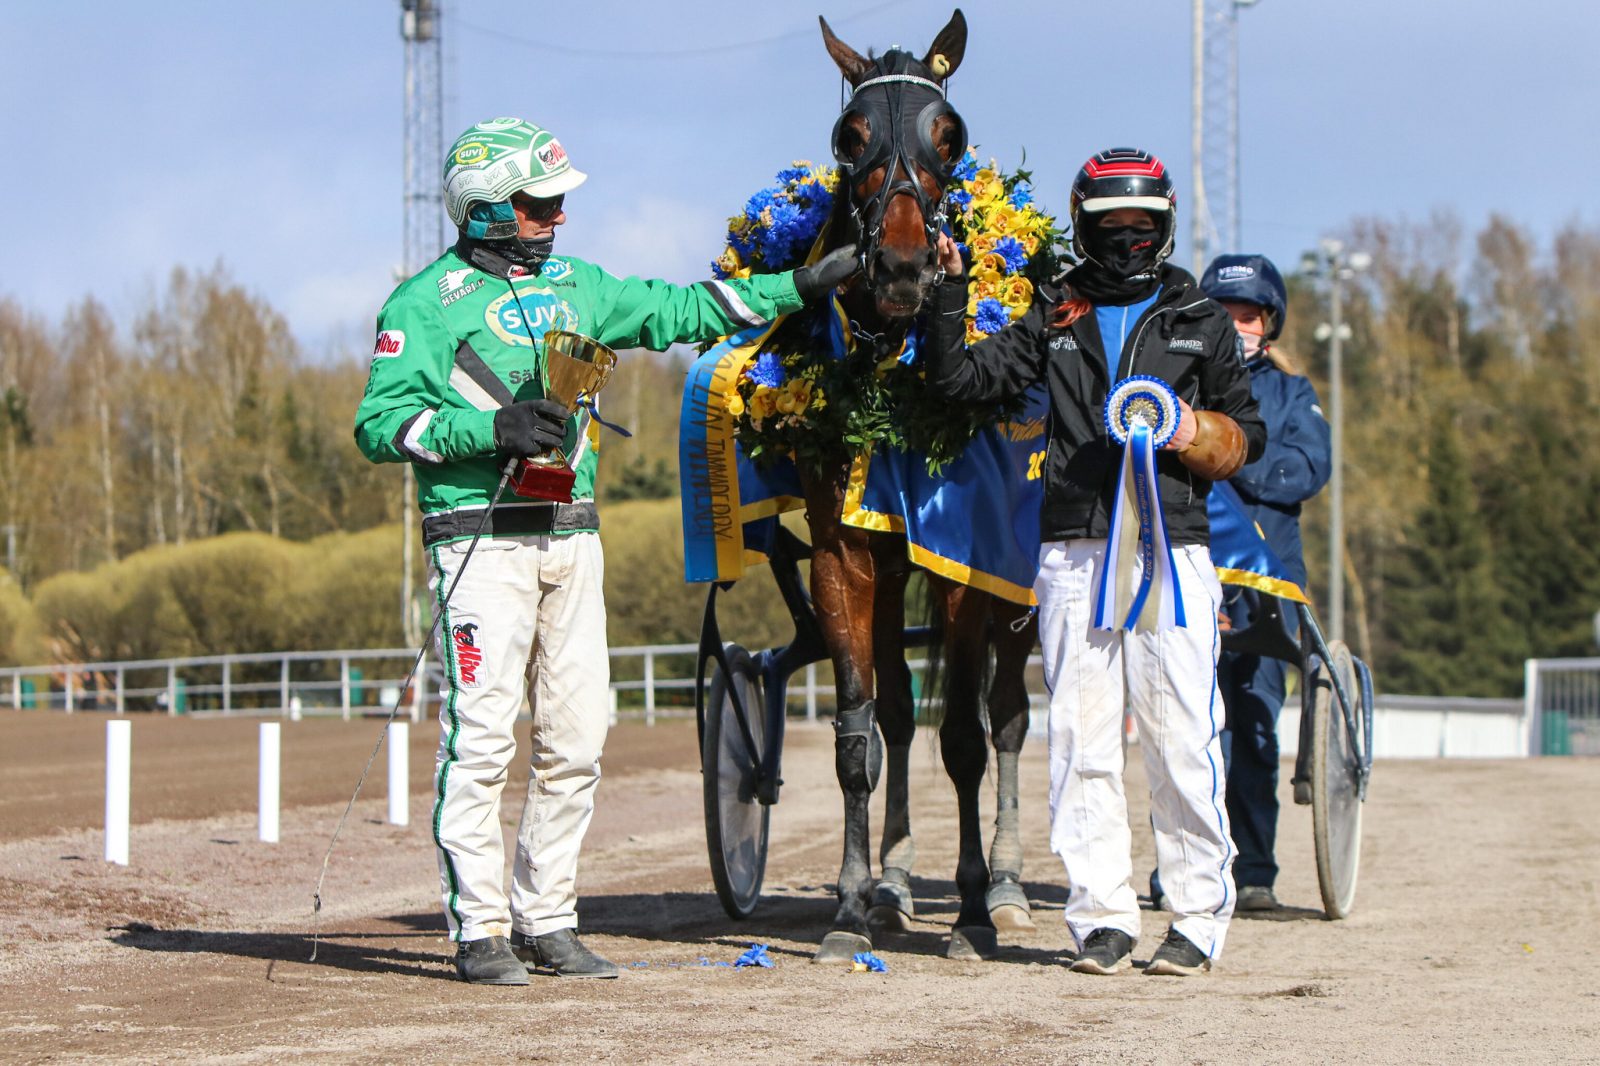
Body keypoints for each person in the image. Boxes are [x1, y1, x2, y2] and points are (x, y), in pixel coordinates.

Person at [354, 117, 856, 985]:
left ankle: (547, 921)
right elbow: (376, 426)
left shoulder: (584, 286)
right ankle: (478, 930)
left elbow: (683, 309)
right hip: (478, 542)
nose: (554, 216)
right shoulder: (420, 306)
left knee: (579, 740)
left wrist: (801, 286)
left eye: (556, 201)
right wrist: (491, 427)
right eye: (536, 203)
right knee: (480, 744)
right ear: (481, 210)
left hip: (573, 538)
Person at [925, 148, 1265, 976]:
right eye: (1111, 225)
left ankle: (1195, 915)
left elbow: (1244, 435)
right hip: (1074, 556)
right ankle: (1102, 917)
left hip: (1171, 552)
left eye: (1141, 226)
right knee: (1082, 742)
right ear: (1084, 224)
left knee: (1183, 737)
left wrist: (1192, 432)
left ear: (1165, 226)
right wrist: (947, 296)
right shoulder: (1055, 311)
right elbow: (961, 379)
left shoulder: (1201, 317)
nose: (1126, 238)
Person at [1201, 253, 1331, 910]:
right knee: (1191, 733)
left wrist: (1226, 453)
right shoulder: (1181, 390)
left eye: (1246, 314)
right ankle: (1188, 872)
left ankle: (1253, 873)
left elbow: (1307, 467)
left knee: (1253, 727)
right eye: (1223, 314)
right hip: (1195, 581)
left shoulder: (1292, 393)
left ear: (1267, 323)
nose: (1235, 324)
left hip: (1267, 588)